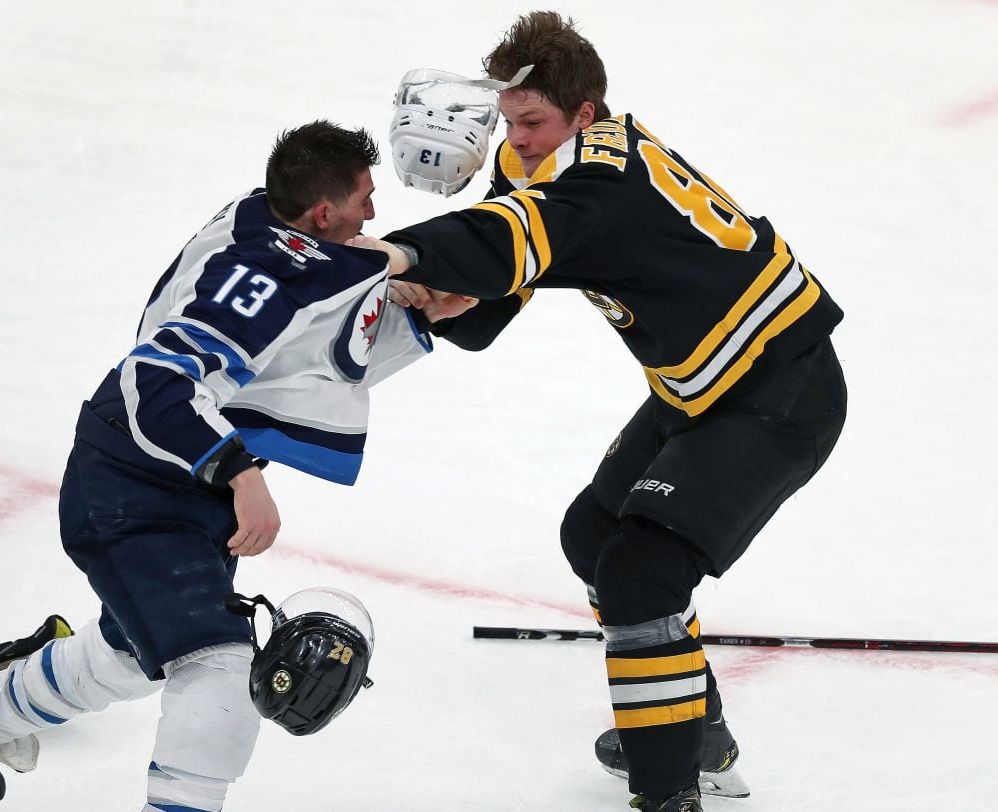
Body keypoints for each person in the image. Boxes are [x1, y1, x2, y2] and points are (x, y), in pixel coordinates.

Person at [358, 12, 848, 811]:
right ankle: (694, 734)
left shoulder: (600, 179)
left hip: (780, 392)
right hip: (702, 387)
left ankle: (668, 792)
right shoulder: (549, 161)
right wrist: (442, 297)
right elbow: (494, 284)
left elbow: (515, 237)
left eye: (533, 123)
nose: (515, 141)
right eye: (509, 122)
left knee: (642, 569)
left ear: (584, 114)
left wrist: (395, 252)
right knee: (593, 535)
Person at [0, 120, 474, 810]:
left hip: (174, 486)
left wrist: (419, 319)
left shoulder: (264, 219)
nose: (373, 216)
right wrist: (239, 473)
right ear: (323, 213)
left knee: (130, 650)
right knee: (218, 665)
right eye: (364, 199)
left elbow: (300, 356)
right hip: (134, 482)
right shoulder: (269, 276)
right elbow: (153, 381)